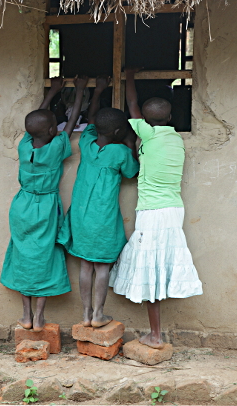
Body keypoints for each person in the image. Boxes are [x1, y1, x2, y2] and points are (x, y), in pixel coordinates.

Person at [109, 68, 203, 349]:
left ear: (144, 123)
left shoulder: (147, 136)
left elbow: (133, 105)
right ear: (171, 118)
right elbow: (140, 111)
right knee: (160, 262)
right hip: (174, 209)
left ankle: (156, 335)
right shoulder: (176, 139)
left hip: (151, 212)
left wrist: (129, 79)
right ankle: (155, 332)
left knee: (150, 267)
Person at [0, 75, 89, 332]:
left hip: (22, 205)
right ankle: (39, 317)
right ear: (53, 131)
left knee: (23, 255)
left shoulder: (23, 146)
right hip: (46, 206)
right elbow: (71, 123)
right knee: (45, 256)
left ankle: (26, 315)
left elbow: (37, 120)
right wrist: (80, 91)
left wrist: (52, 92)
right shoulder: (57, 147)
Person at [58, 76, 139, 328]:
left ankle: (85, 313)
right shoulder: (120, 153)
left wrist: (98, 92)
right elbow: (132, 172)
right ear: (118, 132)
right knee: (102, 267)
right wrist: (131, 144)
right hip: (103, 218)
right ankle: (98, 314)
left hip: (81, 215)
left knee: (85, 266)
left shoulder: (86, 143)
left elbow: (92, 119)